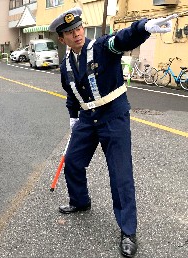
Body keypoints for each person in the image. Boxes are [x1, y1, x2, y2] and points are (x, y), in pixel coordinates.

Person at [49, 7, 172, 257]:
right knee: (73, 160)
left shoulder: (102, 47)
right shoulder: (66, 66)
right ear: (62, 39)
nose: (77, 34)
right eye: (70, 32)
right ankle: (80, 201)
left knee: (120, 173)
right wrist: (73, 120)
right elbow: (72, 96)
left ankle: (128, 230)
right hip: (87, 117)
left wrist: (143, 28)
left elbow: (123, 38)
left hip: (113, 115)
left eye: (78, 28)